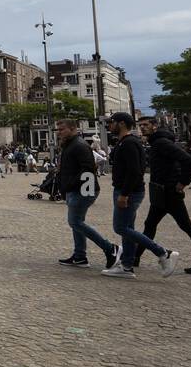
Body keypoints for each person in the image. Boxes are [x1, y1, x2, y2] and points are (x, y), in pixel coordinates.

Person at [102, 113, 180, 279]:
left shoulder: (129, 143)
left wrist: (124, 194)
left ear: (121, 124)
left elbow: (134, 171)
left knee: (120, 227)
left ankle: (163, 253)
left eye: (112, 123)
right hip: (128, 190)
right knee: (127, 229)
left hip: (128, 191)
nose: (109, 126)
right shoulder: (126, 142)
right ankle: (127, 266)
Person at [138, 116, 191, 276]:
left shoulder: (161, 143)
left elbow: (188, 160)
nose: (142, 128)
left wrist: (182, 183)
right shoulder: (157, 142)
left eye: (146, 125)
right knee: (150, 225)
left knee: (185, 226)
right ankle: (134, 258)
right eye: (140, 125)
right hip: (162, 191)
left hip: (169, 192)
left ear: (155, 126)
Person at [55, 119, 117, 268]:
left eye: (62, 129)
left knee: (75, 222)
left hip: (82, 189)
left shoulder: (79, 145)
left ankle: (111, 249)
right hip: (77, 189)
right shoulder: (71, 145)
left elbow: (89, 169)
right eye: (58, 130)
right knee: (77, 223)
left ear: (72, 128)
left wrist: (73, 186)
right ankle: (80, 256)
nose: (59, 132)